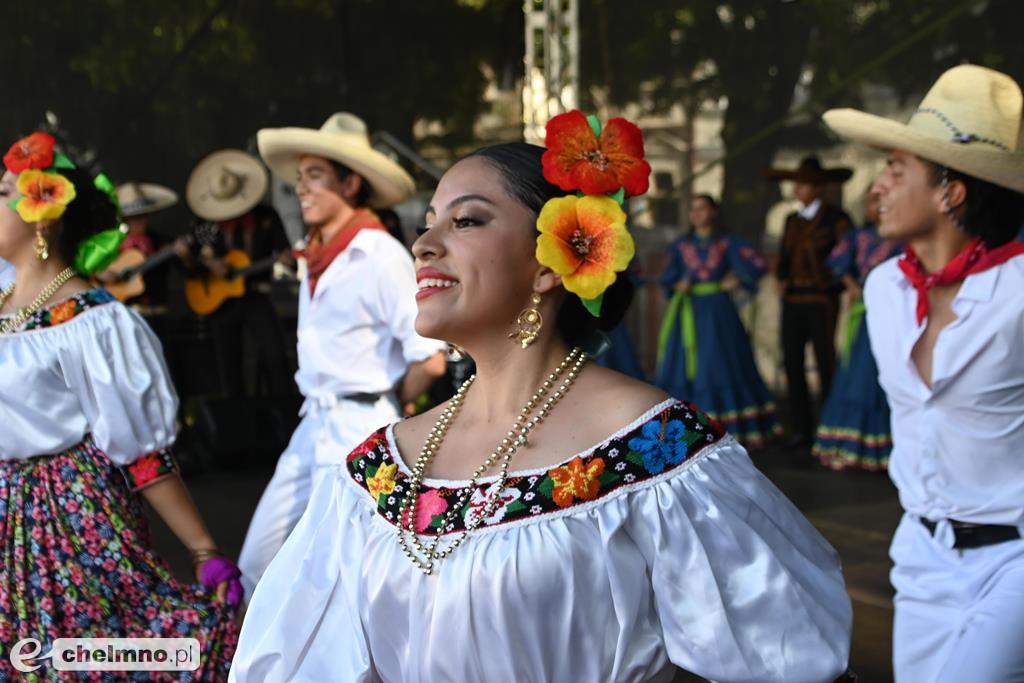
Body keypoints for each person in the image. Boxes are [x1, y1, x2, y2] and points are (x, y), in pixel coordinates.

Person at [230, 111, 853, 682]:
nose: (424, 244)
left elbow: (786, 654)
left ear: (555, 259)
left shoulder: (653, 450)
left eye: (466, 220)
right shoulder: (376, 473)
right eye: (428, 224)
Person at [0, 131, 240, 679]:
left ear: (41, 214)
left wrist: (203, 550)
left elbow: (141, 452)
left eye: (2, 192)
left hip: (65, 519)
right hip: (6, 510)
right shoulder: (4, 300)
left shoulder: (93, 320)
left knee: (85, 656)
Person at [824, 64, 1024, 682]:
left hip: (1014, 558)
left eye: (895, 170)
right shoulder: (883, 288)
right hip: (921, 557)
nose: (875, 189)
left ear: (951, 192)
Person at [236, 113, 446, 599]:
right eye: (299, 177)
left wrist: (389, 408)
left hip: (361, 425)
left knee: (350, 580)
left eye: (315, 176)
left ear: (350, 183)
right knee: (257, 563)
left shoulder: (379, 253)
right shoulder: (321, 251)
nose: (301, 188)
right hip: (313, 423)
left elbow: (429, 359)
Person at [655, 194, 781, 449]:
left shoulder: (727, 243)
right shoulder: (681, 245)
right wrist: (677, 284)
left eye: (702, 208)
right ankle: (686, 429)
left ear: (714, 212)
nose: (697, 214)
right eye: (693, 209)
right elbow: (667, 278)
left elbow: (756, 265)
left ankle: (729, 427)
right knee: (688, 366)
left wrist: (737, 280)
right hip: (689, 314)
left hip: (718, 313)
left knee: (720, 362)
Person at [180, 148, 295, 397]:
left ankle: (283, 418)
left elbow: (287, 254)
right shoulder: (205, 225)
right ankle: (234, 423)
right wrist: (208, 263)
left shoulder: (265, 217)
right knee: (227, 366)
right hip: (220, 303)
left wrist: (288, 260)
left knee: (275, 357)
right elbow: (189, 265)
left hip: (257, 296)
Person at [766, 157, 854, 448]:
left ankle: (829, 428)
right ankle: (801, 429)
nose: (797, 190)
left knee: (825, 360)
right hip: (792, 299)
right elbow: (784, 256)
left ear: (817, 188)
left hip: (821, 299)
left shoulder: (837, 220)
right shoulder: (792, 220)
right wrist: (781, 278)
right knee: (792, 361)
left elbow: (846, 258)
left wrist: (832, 283)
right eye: (797, 184)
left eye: (803, 184)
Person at [812, 191, 901, 471]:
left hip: (892, 313)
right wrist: (853, 286)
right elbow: (838, 264)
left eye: (882, 199)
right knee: (856, 374)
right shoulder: (857, 237)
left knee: (882, 374)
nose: (877, 205)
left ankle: (884, 447)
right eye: (872, 201)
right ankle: (851, 445)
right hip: (864, 315)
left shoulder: (904, 238)